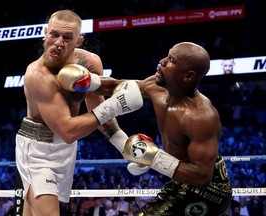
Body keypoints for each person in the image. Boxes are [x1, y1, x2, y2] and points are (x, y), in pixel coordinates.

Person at [70, 42, 233, 215]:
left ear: (188, 76)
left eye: (171, 60)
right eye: (166, 55)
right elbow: (114, 86)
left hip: (209, 191)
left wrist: (152, 157)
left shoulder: (201, 117)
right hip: (180, 182)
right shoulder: (155, 87)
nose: (162, 61)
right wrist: (85, 80)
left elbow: (202, 177)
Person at [15, 9, 143, 216]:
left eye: (67, 37)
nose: (58, 42)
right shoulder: (37, 75)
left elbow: (98, 112)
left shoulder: (89, 63)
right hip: (37, 148)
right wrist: (118, 104)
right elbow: (67, 131)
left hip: (66, 149)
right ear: (45, 33)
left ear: (79, 41)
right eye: (54, 34)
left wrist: (125, 146)